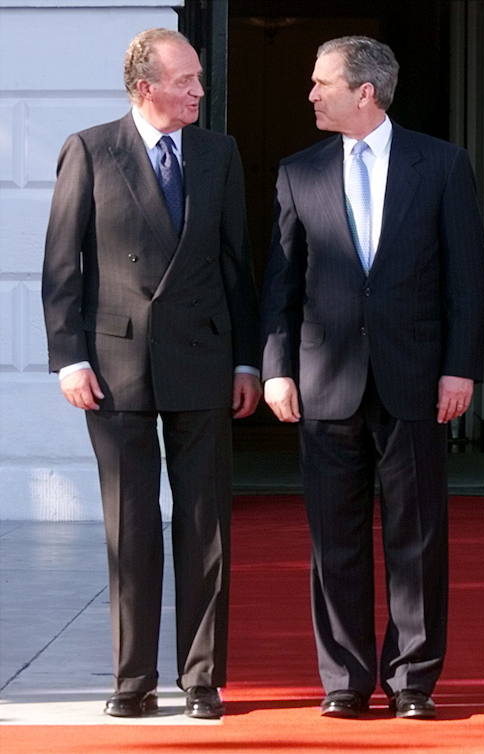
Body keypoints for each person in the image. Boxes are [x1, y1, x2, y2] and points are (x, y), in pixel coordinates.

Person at [260, 36, 484, 720]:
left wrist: (460, 368)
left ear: (366, 91)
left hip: (416, 380)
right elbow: (281, 284)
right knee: (335, 538)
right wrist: (276, 368)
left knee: (417, 537)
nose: (310, 94)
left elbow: (468, 280)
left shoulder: (442, 165)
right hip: (324, 382)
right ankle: (346, 679)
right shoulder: (297, 172)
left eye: (321, 82)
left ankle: (413, 679)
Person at [41, 28, 261, 719]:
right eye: (188, 79)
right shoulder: (89, 149)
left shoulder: (219, 153)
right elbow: (62, 266)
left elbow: (237, 266)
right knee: (130, 530)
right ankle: (132, 682)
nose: (201, 90)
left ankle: (202, 681)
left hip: (201, 358)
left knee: (205, 527)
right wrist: (69, 357)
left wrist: (247, 359)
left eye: (199, 79)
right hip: (115, 368)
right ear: (146, 87)